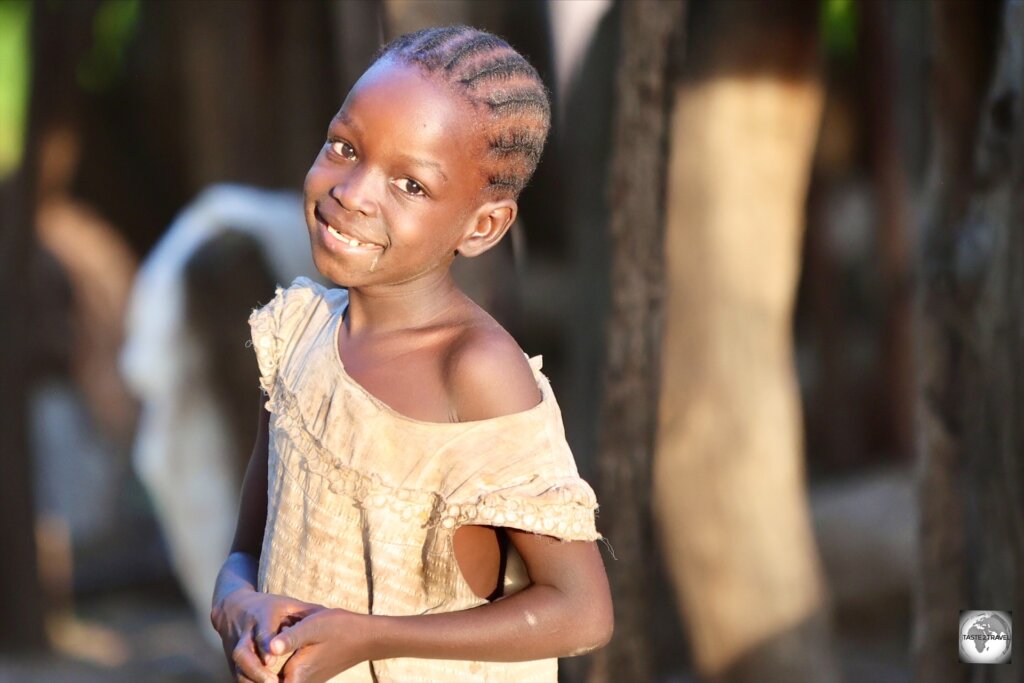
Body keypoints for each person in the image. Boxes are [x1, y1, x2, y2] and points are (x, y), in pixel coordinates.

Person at [210, 25, 613, 683]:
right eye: (344, 147)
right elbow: (245, 551)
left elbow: (581, 609)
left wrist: (366, 638)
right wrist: (239, 608)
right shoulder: (298, 334)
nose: (353, 192)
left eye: (411, 185)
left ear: (482, 226)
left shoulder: (475, 372)